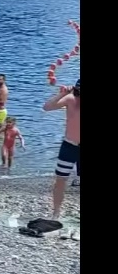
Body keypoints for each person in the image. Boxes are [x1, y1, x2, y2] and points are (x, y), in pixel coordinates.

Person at [42, 79, 80, 219]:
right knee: (60, 180)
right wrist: (61, 94)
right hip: (69, 145)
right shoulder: (70, 99)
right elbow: (47, 107)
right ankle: (56, 213)